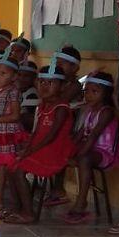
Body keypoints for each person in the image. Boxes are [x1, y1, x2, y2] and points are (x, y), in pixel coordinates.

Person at [3, 62, 74, 225]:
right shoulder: (42, 106)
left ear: (62, 86)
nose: (45, 86)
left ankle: (29, 212)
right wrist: (26, 149)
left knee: (19, 169)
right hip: (39, 148)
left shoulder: (61, 108)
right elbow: (35, 132)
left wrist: (29, 152)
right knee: (10, 166)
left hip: (54, 150)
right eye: (42, 82)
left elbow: (51, 136)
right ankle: (17, 207)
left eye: (51, 82)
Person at [67, 71, 119, 223]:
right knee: (64, 152)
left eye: (94, 91)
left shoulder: (106, 112)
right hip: (89, 149)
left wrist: (77, 157)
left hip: (104, 152)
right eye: (86, 91)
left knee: (84, 160)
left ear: (106, 94)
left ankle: (81, 202)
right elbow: (80, 134)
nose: (88, 95)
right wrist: (68, 150)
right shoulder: (89, 111)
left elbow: (93, 136)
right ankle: (57, 192)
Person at [45, 45, 83, 207]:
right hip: (59, 126)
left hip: (72, 129)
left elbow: (59, 101)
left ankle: (59, 190)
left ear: (74, 68)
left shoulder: (74, 86)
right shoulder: (58, 83)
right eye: (56, 63)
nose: (58, 67)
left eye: (62, 64)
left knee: (59, 147)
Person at [0, 55, 22, 210]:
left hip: (6, 134)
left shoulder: (13, 92)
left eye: (3, 73)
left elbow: (15, 116)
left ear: (14, 76)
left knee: (2, 167)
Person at [18, 59, 40, 134]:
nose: (21, 79)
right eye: (19, 75)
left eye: (26, 76)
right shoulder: (17, 91)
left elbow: (28, 119)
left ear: (34, 78)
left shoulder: (32, 94)